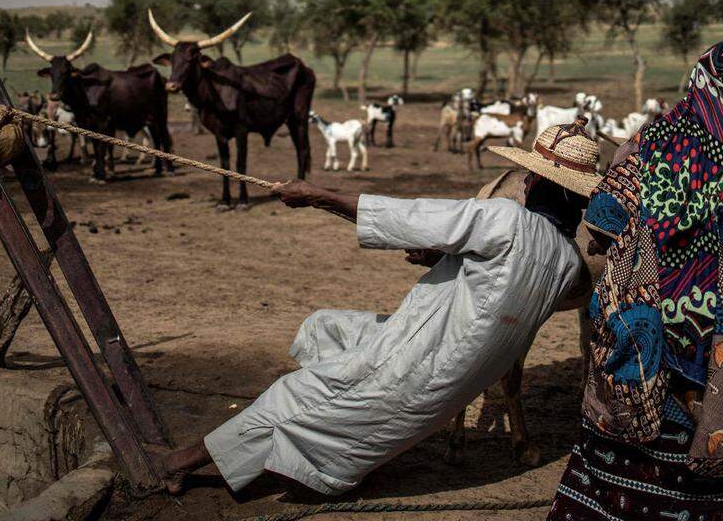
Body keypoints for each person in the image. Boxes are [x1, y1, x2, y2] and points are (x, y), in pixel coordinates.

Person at [159, 118, 605, 496]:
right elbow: (501, 284)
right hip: (451, 373)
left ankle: (179, 464)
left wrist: (318, 196)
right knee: (326, 328)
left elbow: (408, 218)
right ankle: (330, 430)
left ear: (535, 181)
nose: (523, 180)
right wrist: (443, 258)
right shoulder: (567, 262)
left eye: (527, 175)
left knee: (295, 396)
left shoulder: (505, 218)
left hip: (416, 358)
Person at [548, 41, 723, 521]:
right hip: (717, 331)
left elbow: (605, 219)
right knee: (705, 437)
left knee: (621, 432)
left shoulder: (651, 138)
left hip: (644, 320)